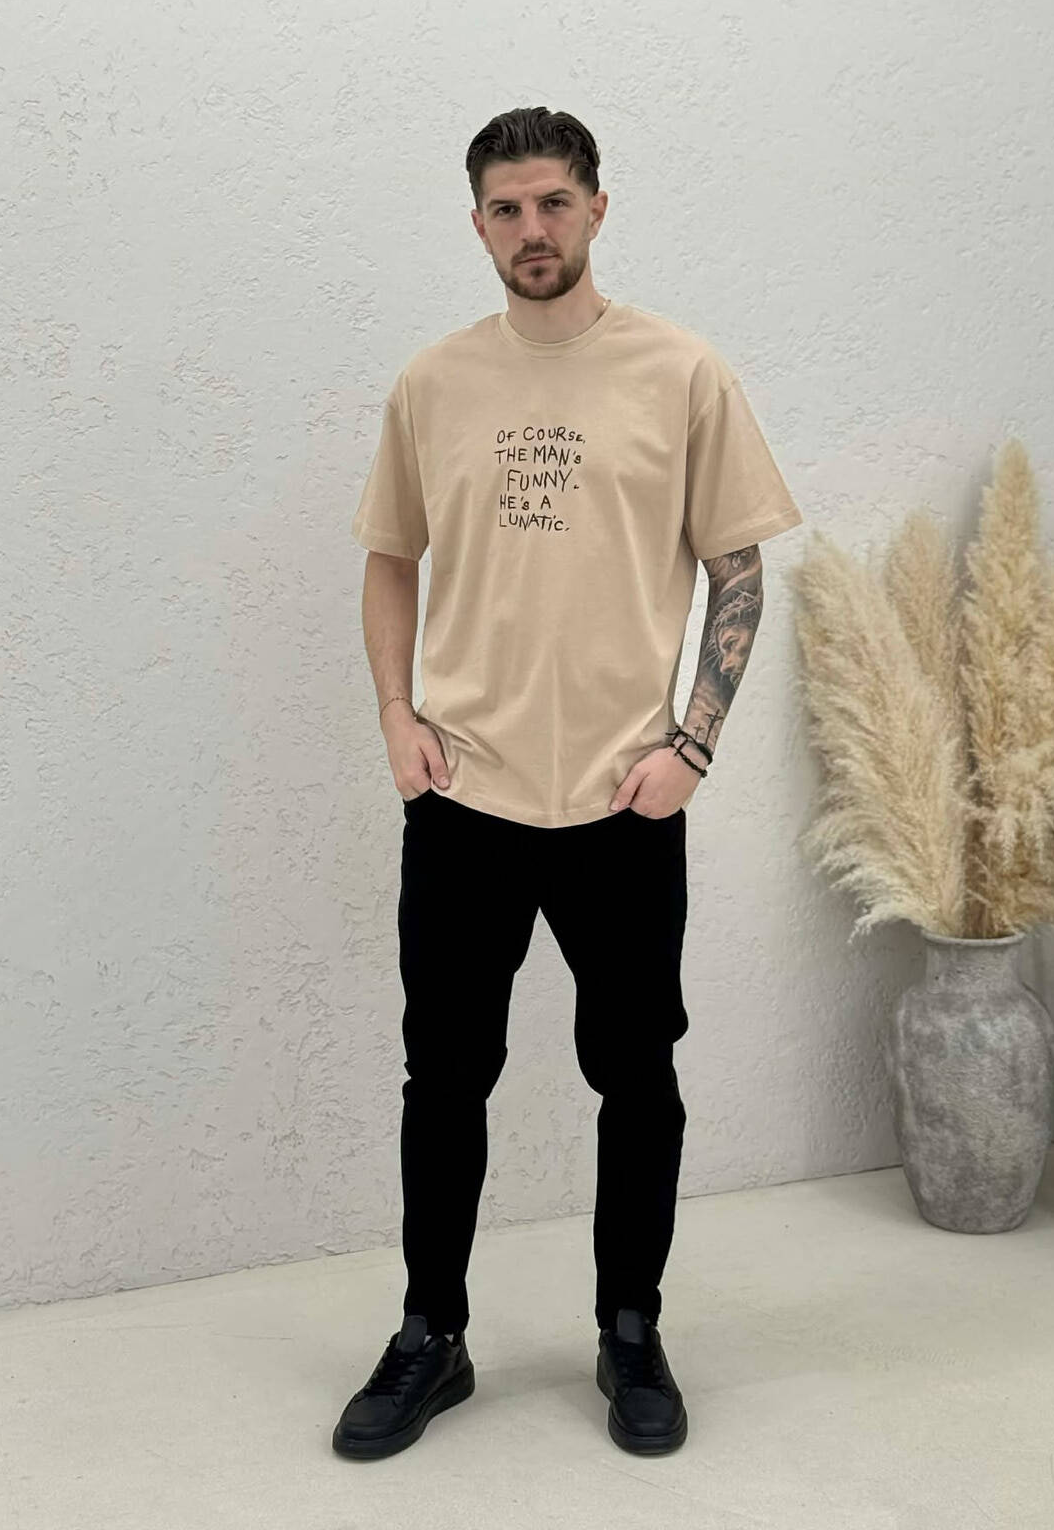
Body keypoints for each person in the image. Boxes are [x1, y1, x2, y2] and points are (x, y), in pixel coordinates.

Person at [333, 107, 803, 1461]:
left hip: (620, 801)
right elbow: (389, 557)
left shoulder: (681, 372)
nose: (531, 230)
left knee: (637, 1076)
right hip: (465, 795)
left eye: (552, 203)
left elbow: (738, 568)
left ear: (598, 207)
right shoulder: (434, 383)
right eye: (506, 209)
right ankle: (431, 1334)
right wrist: (395, 716)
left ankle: (631, 1331)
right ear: (477, 224)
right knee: (444, 1077)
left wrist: (690, 748)